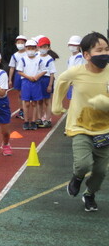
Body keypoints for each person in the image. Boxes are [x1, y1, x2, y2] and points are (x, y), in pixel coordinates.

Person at [52, 31, 109, 212]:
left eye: (107, 49)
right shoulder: (76, 72)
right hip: (79, 125)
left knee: (100, 172)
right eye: (99, 50)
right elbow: (61, 81)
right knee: (83, 164)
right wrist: (57, 106)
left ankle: (89, 194)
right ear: (86, 55)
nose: (104, 54)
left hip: (104, 129)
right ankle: (77, 177)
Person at [16, 39, 46, 130]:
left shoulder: (39, 59)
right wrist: (28, 77)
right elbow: (19, 71)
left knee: (34, 102)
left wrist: (37, 76)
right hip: (26, 82)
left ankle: (33, 121)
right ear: (26, 49)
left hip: (36, 82)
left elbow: (44, 70)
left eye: (32, 48)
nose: (30, 50)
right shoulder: (23, 59)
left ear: (36, 49)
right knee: (26, 103)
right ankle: (26, 121)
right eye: (28, 48)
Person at [37, 37, 58, 128]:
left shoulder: (50, 59)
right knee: (39, 101)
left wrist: (50, 85)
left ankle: (48, 119)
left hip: (46, 79)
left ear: (48, 47)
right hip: (37, 79)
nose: (42, 48)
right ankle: (40, 118)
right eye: (41, 46)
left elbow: (52, 73)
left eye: (45, 46)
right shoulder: (36, 56)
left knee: (47, 101)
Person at [8, 35, 27, 119]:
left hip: (27, 74)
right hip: (18, 75)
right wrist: (10, 80)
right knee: (20, 94)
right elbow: (12, 68)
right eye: (18, 42)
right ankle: (21, 110)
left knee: (26, 94)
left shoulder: (28, 53)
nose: (20, 44)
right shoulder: (14, 55)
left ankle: (28, 110)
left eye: (22, 43)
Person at [66, 35, 85, 100]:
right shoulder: (71, 57)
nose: (72, 47)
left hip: (76, 81)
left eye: (75, 45)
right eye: (71, 44)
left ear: (79, 46)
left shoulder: (79, 56)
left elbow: (77, 69)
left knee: (76, 99)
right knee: (71, 99)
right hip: (71, 81)